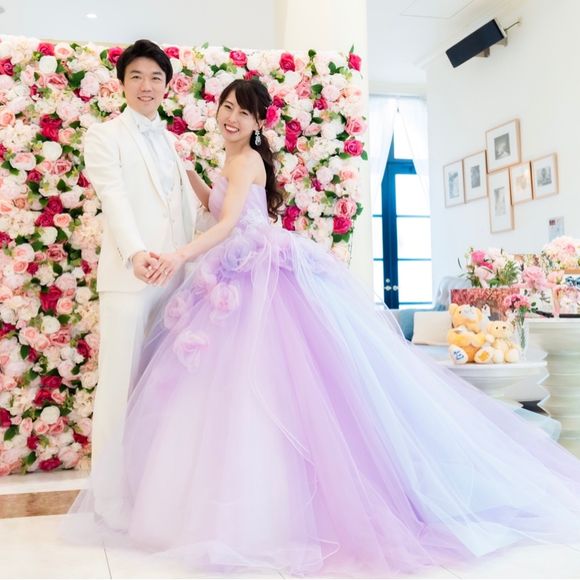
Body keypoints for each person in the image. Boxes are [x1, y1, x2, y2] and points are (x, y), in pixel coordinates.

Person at [68, 79, 580, 578]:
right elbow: (217, 205)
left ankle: (269, 512)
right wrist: (190, 178)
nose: (232, 118)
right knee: (235, 385)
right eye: (227, 108)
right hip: (236, 268)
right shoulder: (232, 160)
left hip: (255, 269)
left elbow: (225, 225)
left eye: (244, 113)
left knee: (261, 381)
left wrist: (180, 254)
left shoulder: (245, 161)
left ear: (257, 123)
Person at [82, 38, 199, 461]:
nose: (146, 86)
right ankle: (109, 490)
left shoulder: (172, 141)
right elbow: (113, 197)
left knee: (162, 386)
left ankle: (147, 482)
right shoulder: (104, 136)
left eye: (155, 77)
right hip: (130, 279)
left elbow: (182, 207)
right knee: (119, 386)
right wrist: (135, 254)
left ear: (167, 85)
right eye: (136, 77)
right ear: (122, 83)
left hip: (174, 279)